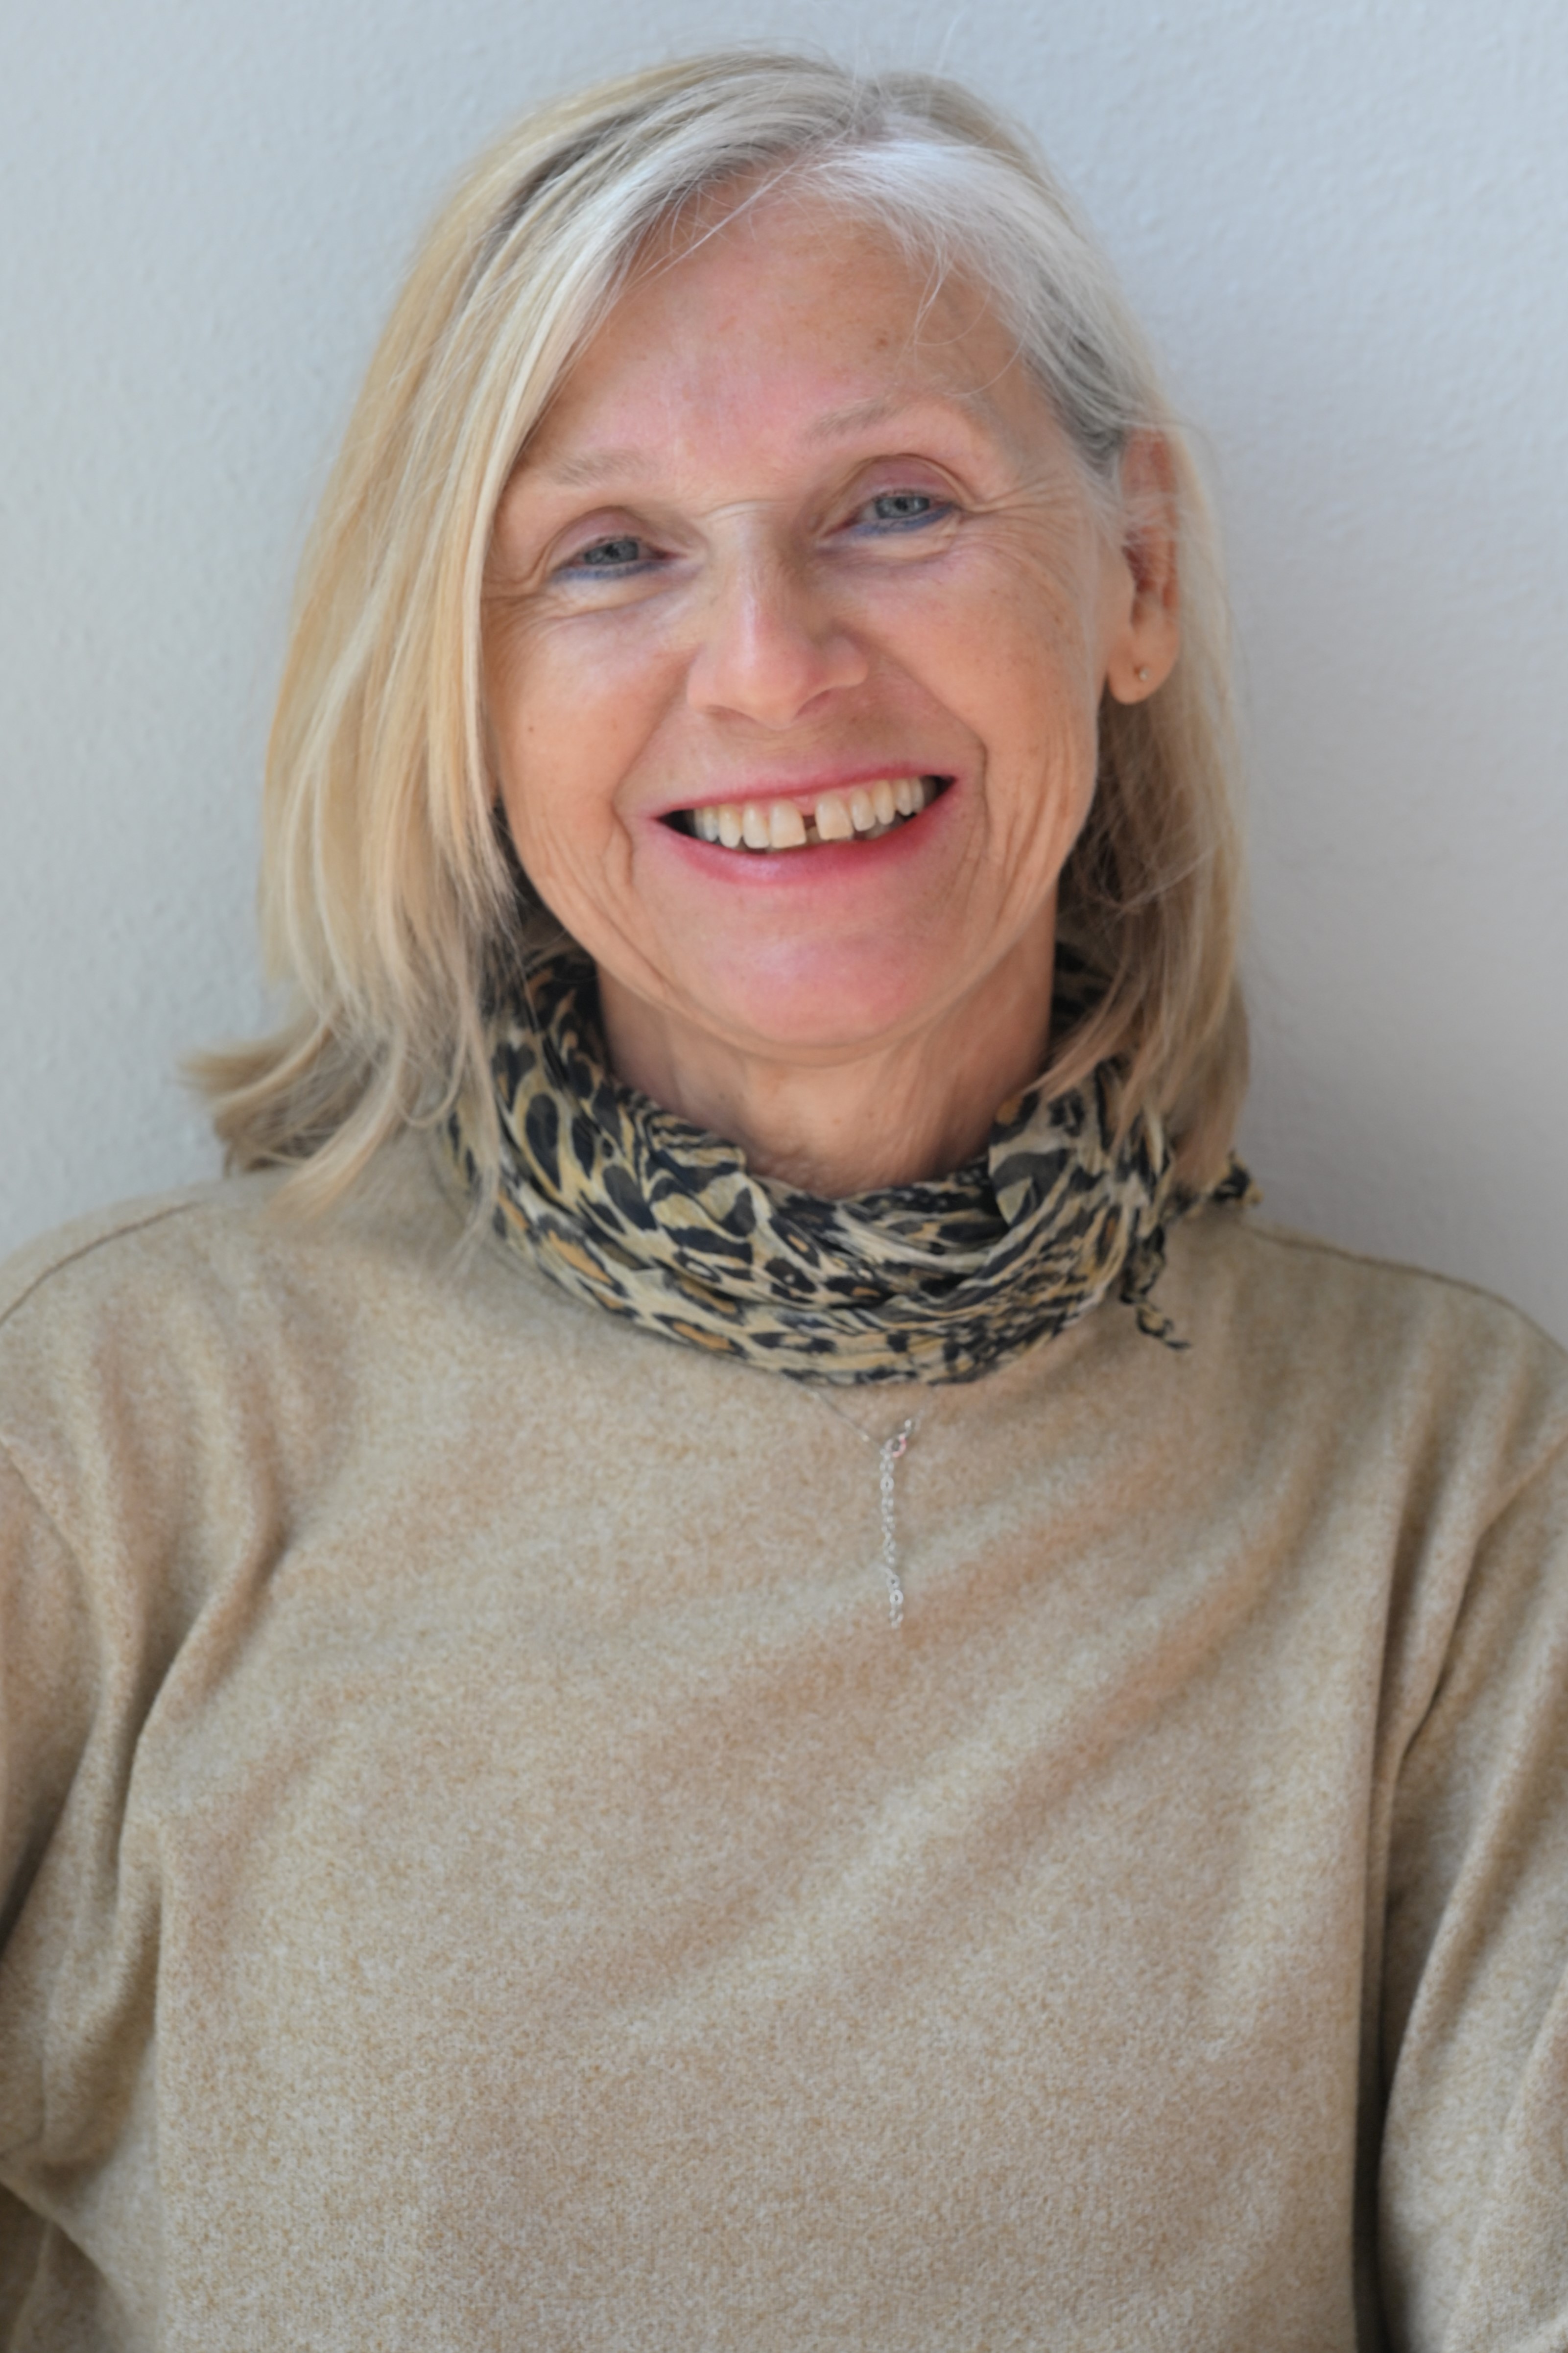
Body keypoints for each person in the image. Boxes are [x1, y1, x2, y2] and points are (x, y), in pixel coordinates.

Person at [0, 49, 1563, 2351]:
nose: (768, 666)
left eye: (897, 506)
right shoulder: (110, 1434)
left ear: (1135, 573)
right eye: (609, 552)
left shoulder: (1447, 1485)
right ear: (464, 684)